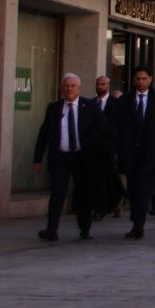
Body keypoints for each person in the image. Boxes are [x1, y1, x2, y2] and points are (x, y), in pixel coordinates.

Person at [32, 73, 105, 241]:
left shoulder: (90, 106)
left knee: (84, 193)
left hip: (82, 157)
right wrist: (37, 158)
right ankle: (52, 228)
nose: (69, 89)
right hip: (61, 158)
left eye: (73, 86)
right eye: (66, 86)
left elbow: (102, 129)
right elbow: (44, 135)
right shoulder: (54, 108)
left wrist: (98, 150)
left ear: (79, 88)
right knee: (58, 192)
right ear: (62, 88)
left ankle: (85, 228)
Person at [116, 66, 155, 239]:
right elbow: (118, 129)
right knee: (133, 188)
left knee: (144, 188)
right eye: (138, 79)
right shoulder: (125, 101)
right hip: (131, 154)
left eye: (144, 78)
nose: (141, 82)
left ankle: (139, 223)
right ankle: (136, 220)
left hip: (150, 154)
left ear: (150, 79)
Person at [90, 74, 123, 220]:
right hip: (94, 149)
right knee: (96, 179)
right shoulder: (90, 103)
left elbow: (119, 127)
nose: (100, 87)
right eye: (98, 84)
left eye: (103, 84)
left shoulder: (116, 104)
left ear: (108, 86)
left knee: (110, 178)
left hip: (110, 148)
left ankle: (113, 204)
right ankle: (99, 207)